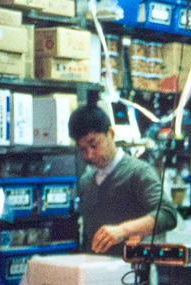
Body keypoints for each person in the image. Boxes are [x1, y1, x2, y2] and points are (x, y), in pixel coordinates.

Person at [68, 104, 177, 256]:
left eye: (94, 145)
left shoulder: (139, 173)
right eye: (82, 149)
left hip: (132, 273)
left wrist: (122, 230)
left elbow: (168, 215)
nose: (90, 155)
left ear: (111, 134)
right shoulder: (86, 181)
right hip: (95, 273)